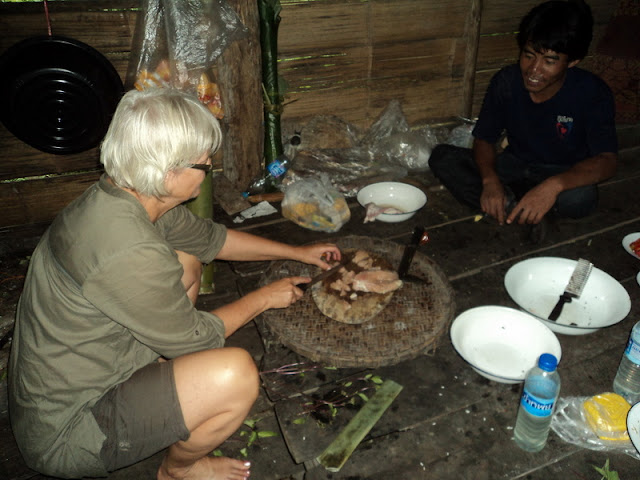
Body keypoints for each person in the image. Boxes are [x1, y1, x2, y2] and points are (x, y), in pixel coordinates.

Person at [8, 88, 341, 480]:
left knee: (186, 260)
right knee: (235, 374)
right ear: (169, 174)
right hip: (70, 431)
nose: (209, 166)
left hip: (85, 368)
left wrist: (298, 252)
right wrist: (263, 298)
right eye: (204, 163)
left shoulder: (129, 198)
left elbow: (213, 240)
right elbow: (201, 340)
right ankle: (177, 471)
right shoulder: (126, 250)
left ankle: (164, 370)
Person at [429, 0, 617, 239]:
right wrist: (489, 180)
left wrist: (553, 186)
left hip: (561, 173)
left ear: (572, 62)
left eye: (549, 61)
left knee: (580, 199)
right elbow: (484, 139)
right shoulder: (506, 82)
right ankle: (516, 208)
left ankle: (520, 206)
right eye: (528, 56)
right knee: (443, 158)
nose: (534, 70)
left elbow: (608, 161)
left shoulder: (592, 92)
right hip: (514, 165)